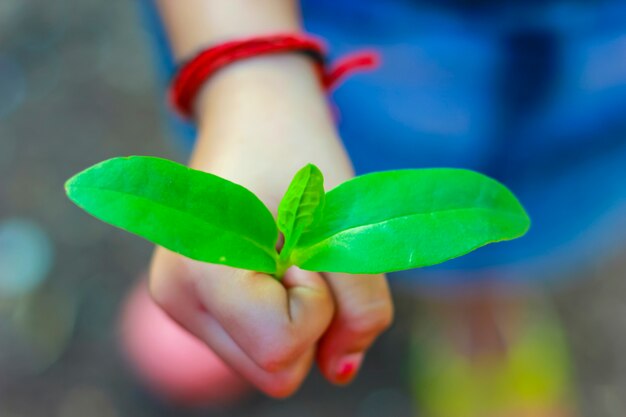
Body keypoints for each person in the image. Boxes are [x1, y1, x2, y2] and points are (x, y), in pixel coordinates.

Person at [122, 0, 626, 415]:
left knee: (530, 204)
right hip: (316, 23)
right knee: (253, 142)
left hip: (600, 44)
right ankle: (245, 263)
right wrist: (252, 76)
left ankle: (481, 316)